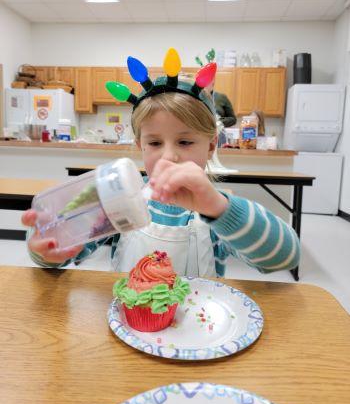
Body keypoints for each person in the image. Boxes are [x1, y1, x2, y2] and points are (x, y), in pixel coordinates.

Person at [22, 49, 300, 277]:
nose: (168, 156)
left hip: (195, 333)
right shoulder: (117, 202)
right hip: (128, 327)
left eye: (185, 142)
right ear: (140, 145)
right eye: (155, 143)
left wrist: (219, 208)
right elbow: (56, 258)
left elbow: (286, 256)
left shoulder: (217, 211)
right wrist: (48, 247)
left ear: (211, 146)